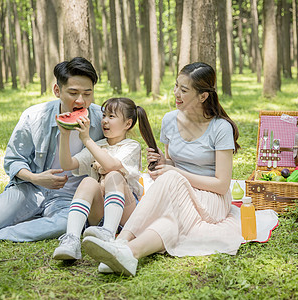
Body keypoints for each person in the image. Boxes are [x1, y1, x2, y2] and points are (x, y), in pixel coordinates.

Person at [82, 62, 244, 276]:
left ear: (203, 96)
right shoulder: (169, 120)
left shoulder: (220, 127)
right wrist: (162, 164)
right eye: (176, 86)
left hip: (211, 199)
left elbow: (222, 185)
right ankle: (128, 253)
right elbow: (172, 164)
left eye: (184, 90)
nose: (176, 93)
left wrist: (175, 173)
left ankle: (118, 240)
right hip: (179, 191)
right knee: (169, 221)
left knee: (170, 185)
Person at [0, 57, 104, 251]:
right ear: (57, 90)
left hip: (69, 199)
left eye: (87, 94)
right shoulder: (34, 116)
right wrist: (36, 178)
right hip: (32, 189)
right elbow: (13, 160)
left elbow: (118, 151)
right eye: (73, 93)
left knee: (67, 225)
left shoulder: (102, 119)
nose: (81, 101)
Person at [52, 97, 157, 262]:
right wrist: (65, 135)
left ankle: (109, 233)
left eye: (112, 116)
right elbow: (68, 164)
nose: (105, 121)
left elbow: (111, 165)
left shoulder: (131, 146)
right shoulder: (99, 145)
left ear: (127, 124)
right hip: (99, 216)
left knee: (113, 174)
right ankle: (71, 240)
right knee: (87, 182)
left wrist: (86, 139)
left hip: (126, 216)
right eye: (104, 116)